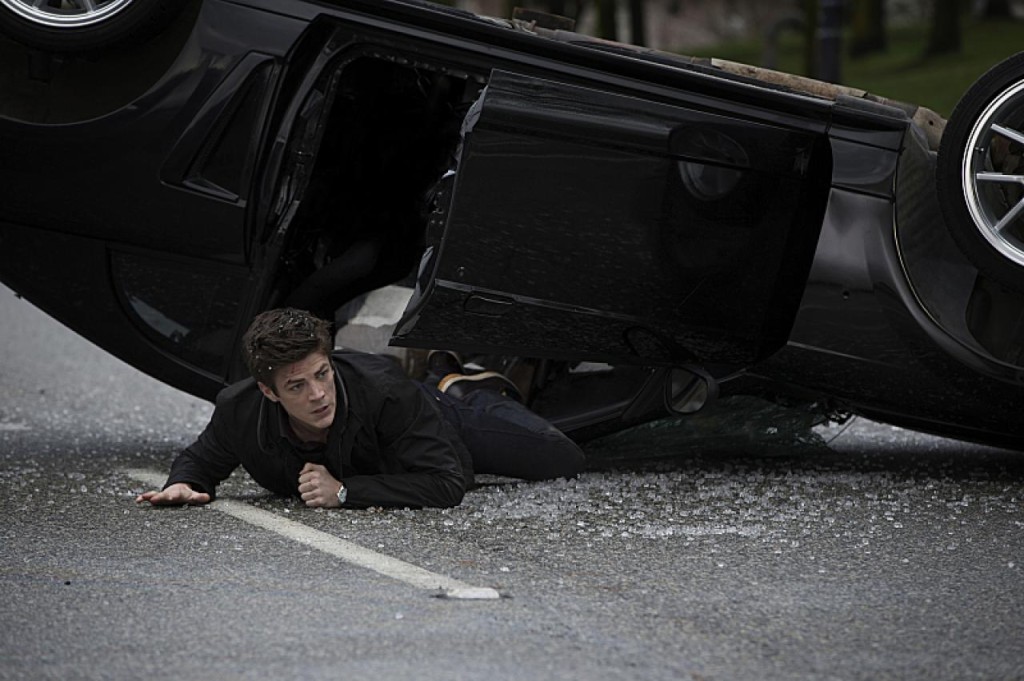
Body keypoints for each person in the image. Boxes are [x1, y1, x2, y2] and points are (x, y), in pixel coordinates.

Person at [136, 308, 585, 509]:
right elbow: (202, 459)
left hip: (436, 414)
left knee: (561, 459)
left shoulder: (387, 394)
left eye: (322, 374)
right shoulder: (240, 409)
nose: (318, 394)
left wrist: (346, 493)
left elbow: (448, 482)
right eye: (297, 386)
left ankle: (459, 383)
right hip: (398, 432)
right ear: (269, 392)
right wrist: (183, 484)